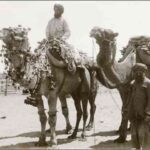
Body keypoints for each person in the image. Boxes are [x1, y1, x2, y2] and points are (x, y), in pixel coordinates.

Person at [128, 63, 150, 150]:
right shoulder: (133, 84)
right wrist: (128, 110)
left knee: (144, 136)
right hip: (134, 115)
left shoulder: (148, 83)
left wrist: (148, 114)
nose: (138, 74)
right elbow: (130, 99)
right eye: (136, 72)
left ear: (144, 72)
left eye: (140, 72)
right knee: (134, 135)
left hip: (144, 115)